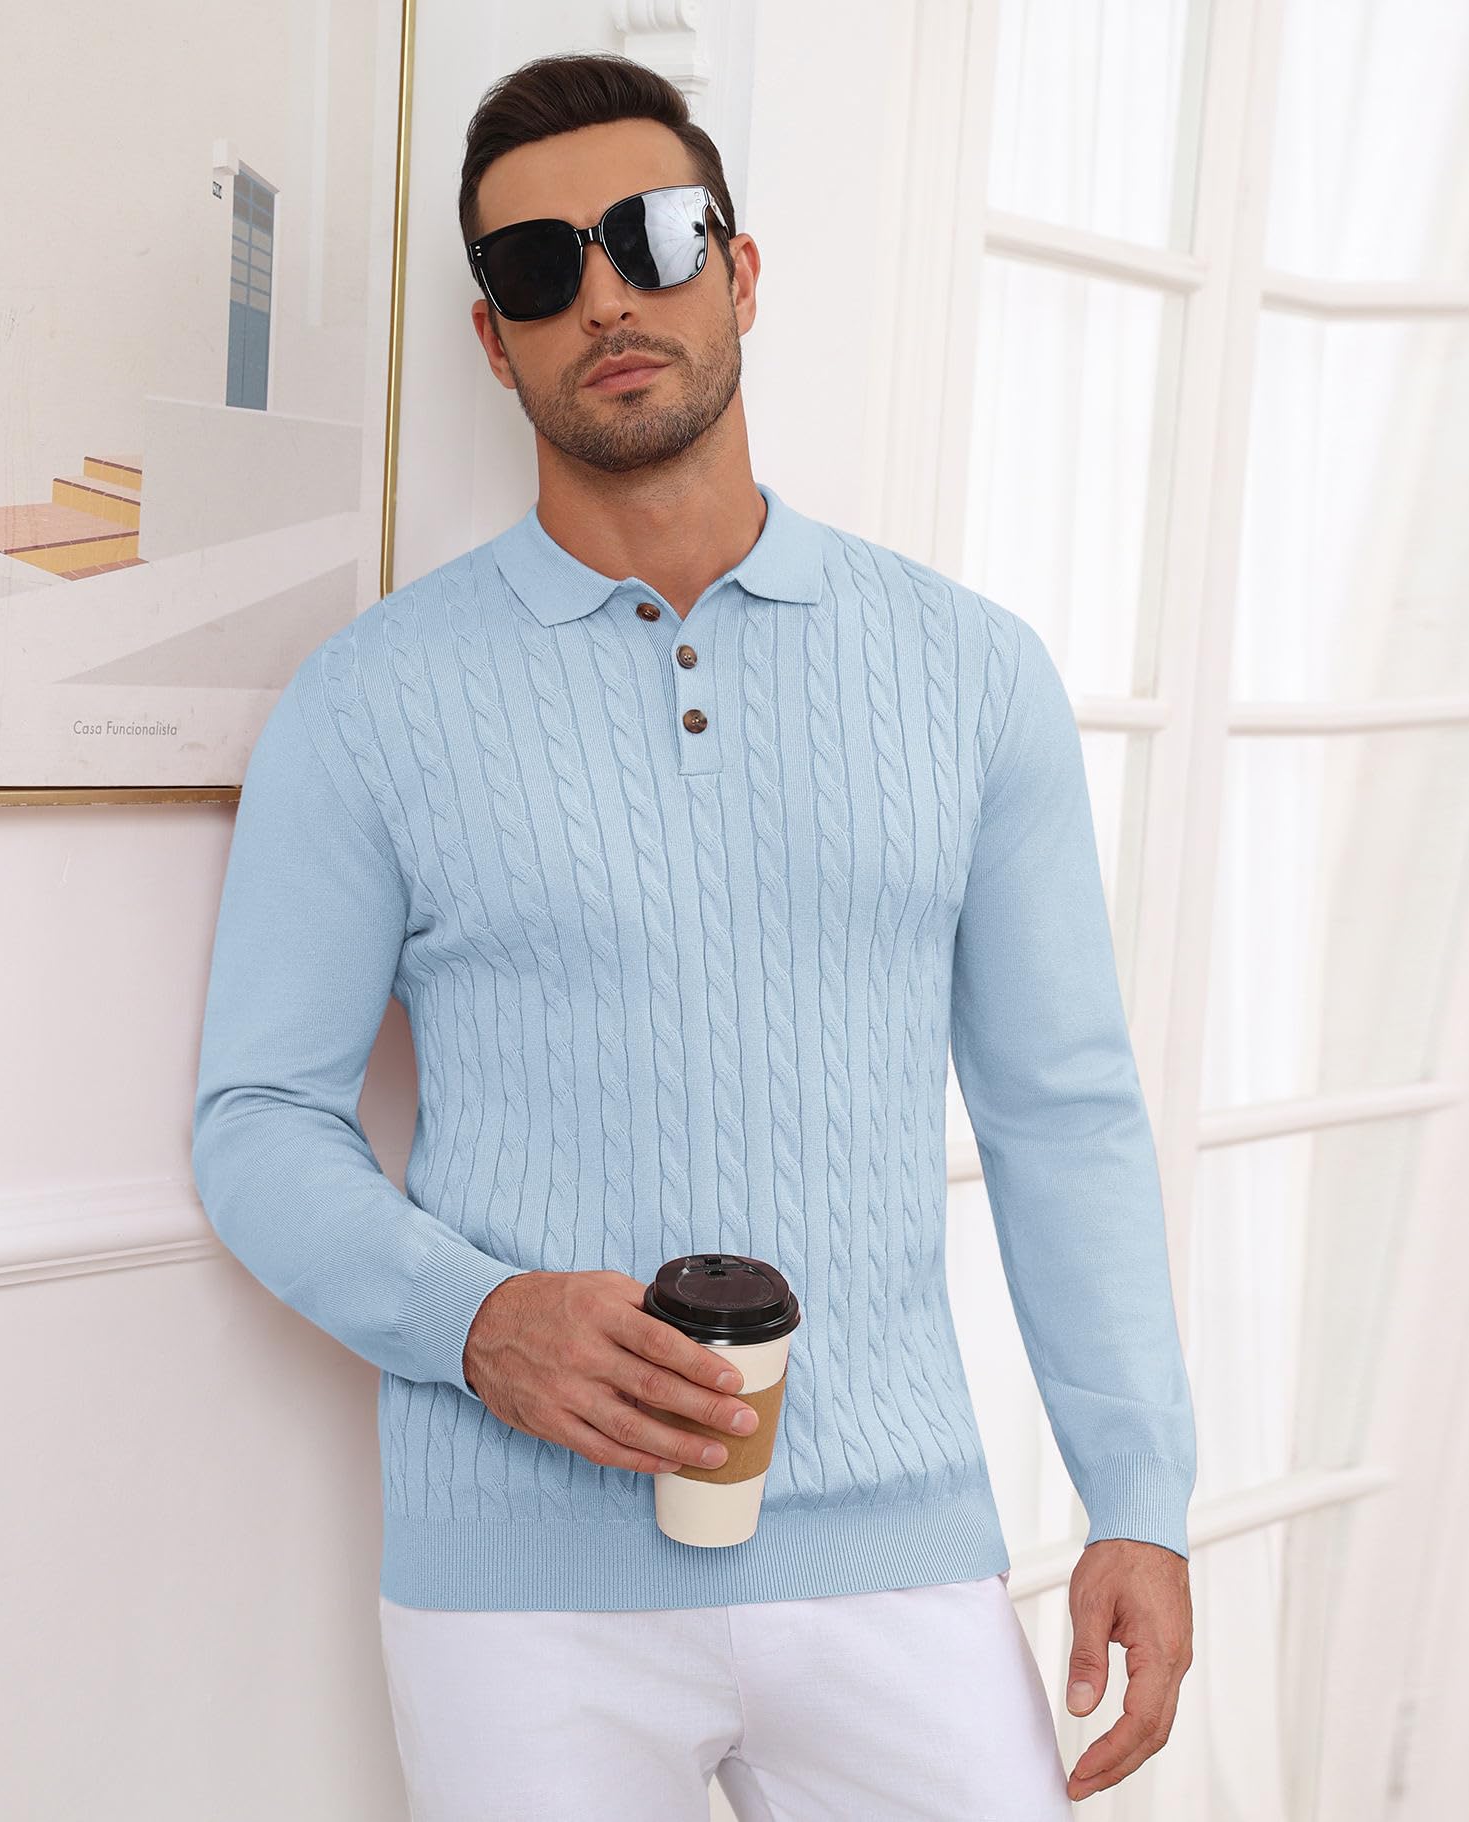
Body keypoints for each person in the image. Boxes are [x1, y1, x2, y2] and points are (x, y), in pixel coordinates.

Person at [191, 48, 1196, 1821]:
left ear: (737, 270)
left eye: (651, 237)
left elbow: (1065, 1112)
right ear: (493, 339)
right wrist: (473, 1316)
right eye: (538, 268)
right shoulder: (367, 703)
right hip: (520, 1597)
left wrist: (1138, 1495)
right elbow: (255, 1118)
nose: (604, 297)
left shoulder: (971, 673)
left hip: (896, 1551)